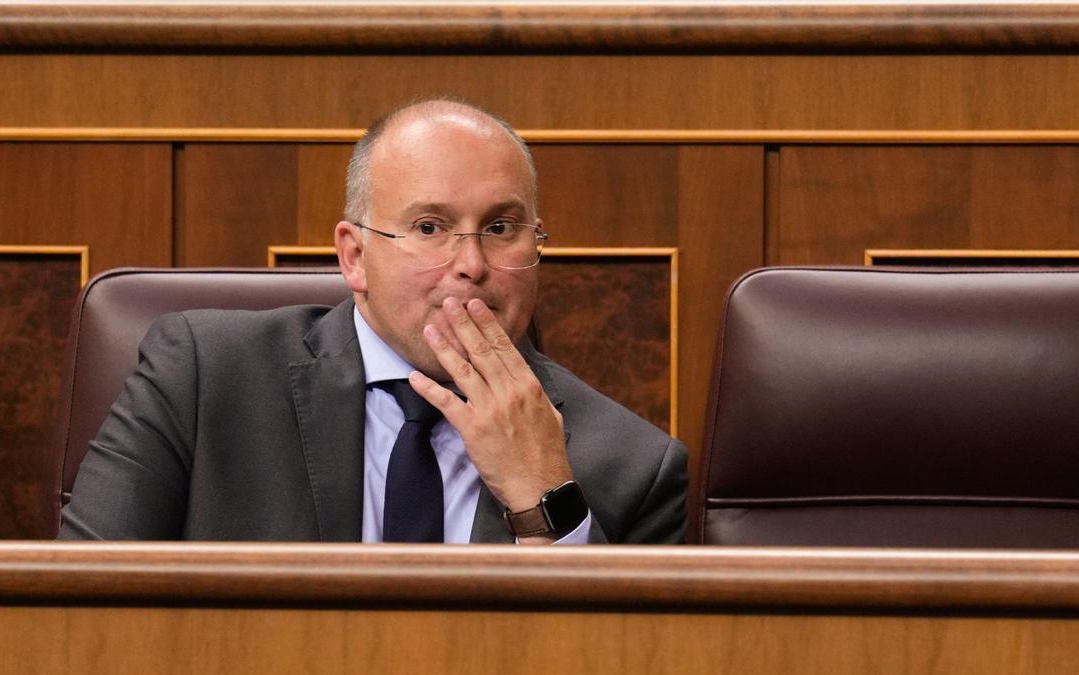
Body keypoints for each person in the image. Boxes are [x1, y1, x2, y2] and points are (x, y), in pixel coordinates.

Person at [59, 99, 688, 544]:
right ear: (354, 257)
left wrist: (546, 501)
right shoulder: (202, 377)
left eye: (500, 228)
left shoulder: (635, 467)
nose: (470, 264)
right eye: (429, 228)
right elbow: (80, 611)